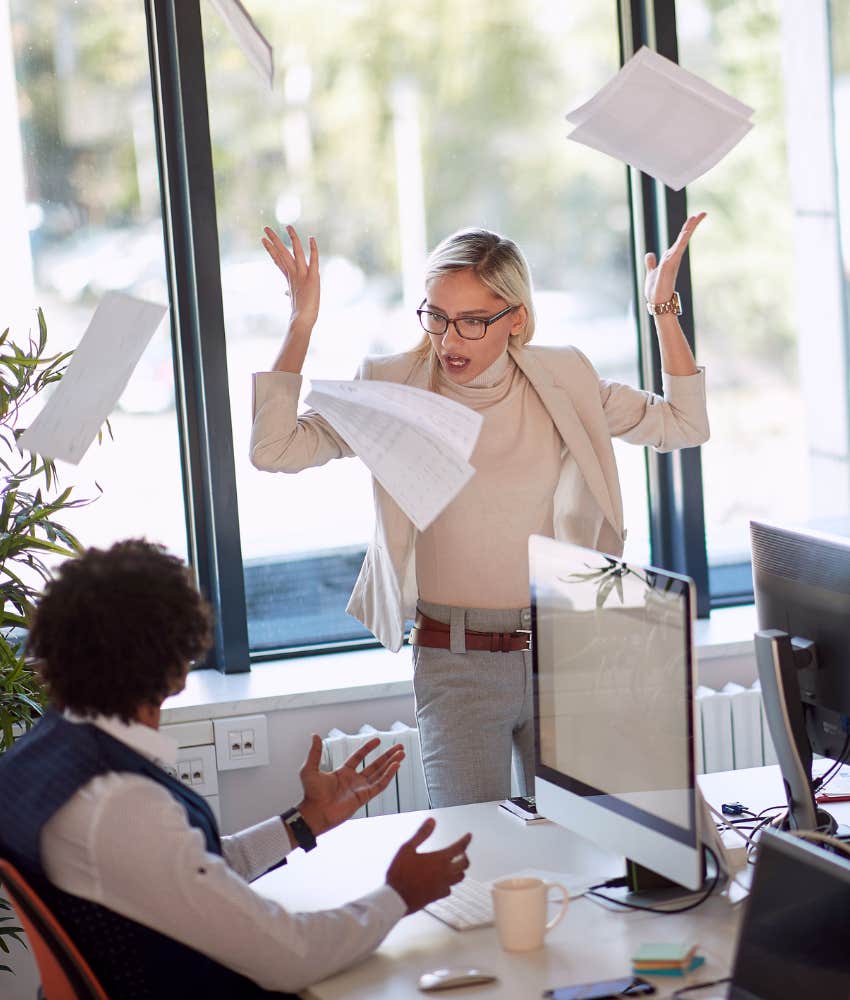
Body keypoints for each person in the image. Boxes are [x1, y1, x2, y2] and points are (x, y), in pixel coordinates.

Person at [251, 217, 709, 809]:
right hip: (455, 664)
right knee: (474, 859)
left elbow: (684, 422)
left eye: (472, 321)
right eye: (437, 316)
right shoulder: (393, 386)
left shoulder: (565, 378)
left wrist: (664, 312)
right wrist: (300, 325)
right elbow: (275, 450)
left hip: (565, 650)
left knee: (582, 853)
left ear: (515, 317)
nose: (449, 340)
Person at [0, 540, 471, 999]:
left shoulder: (46, 753)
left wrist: (303, 822)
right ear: (178, 666)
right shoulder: (118, 801)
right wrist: (399, 897)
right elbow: (293, 957)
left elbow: (190, 873)